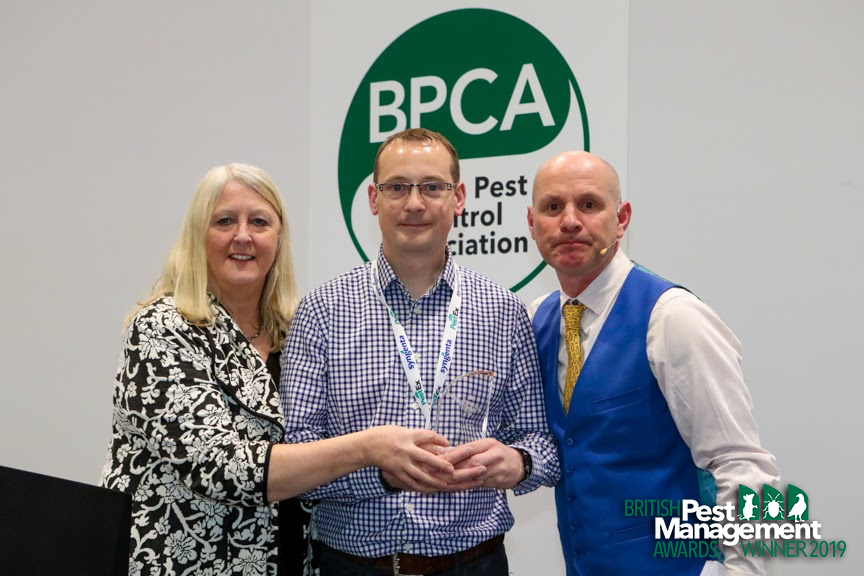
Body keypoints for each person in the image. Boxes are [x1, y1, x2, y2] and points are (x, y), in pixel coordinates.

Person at [100, 163, 457, 576]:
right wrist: (367, 448)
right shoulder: (164, 328)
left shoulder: (295, 329)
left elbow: (315, 459)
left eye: (260, 222)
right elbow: (222, 469)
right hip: (182, 562)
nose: (243, 236)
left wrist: (390, 470)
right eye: (224, 221)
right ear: (198, 235)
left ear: (279, 236)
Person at [280, 128, 560, 576]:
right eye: (397, 187)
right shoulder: (321, 311)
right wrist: (380, 472)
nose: (414, 204)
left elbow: (540, 443)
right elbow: (296, 458)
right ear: (373, 199)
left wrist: (517, 462)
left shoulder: (503, 310)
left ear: (459, 197)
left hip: (474, 563)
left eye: (432, 187)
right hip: (354, 565)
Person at [526, 150, 781, 575]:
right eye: (553, 207)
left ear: (621, 218)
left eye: (589, 205)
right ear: (532, 225)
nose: (569, 221)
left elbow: (742, 465)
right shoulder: (538, 318)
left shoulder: (673, 317)